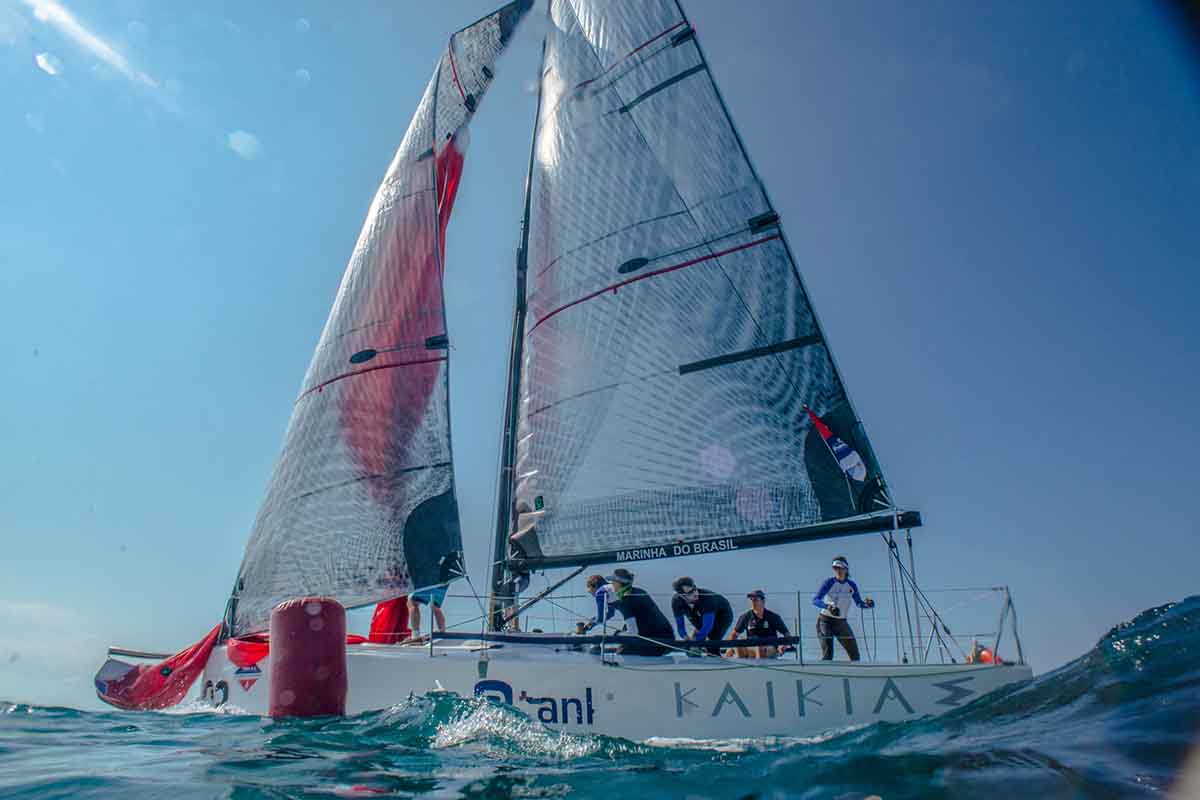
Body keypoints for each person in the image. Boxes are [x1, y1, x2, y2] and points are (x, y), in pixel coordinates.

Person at [582, 569, 674, 656]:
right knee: (620, 635)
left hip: (652, 642)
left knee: (616, 643)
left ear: (617, 584)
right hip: (667, 638)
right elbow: (610, 614)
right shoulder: (638, 591)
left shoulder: (606, 594)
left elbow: (602, 617)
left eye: (613, 582)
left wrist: (588, 626)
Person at [812, 556, 874, 661]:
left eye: (840, 568)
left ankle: (856, 674)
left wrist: (867, 605)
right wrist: (828, 607)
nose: (838, 570)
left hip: (841, 622)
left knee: (854, 654)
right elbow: (815, 600)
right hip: (825, 621)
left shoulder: (851, 585)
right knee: (828, 653)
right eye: (835, 568)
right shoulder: (829, 582)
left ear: (846, 569)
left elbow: (859, 603)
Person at [670, 577, 733, 655]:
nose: (695, 593)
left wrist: (696, 640)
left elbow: (707, 626)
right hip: (698, 612)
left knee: (712, 640)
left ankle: (715, 658)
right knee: (690, 647)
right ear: (681, 595)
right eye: (690, 592)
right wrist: (685, 637)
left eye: (695, 589)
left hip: (722, 615)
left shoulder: (707, 598)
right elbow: (680, 625)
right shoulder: (676, 601)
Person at [728, 589, 790, 658]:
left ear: (763, 601)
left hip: (770, 647)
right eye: (751, 600)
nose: (753, 602)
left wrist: (783, 646)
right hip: (751, 647)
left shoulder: (773, 617)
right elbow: (734, 634)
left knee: (759, 646)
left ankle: (761, 667)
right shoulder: (746, 617)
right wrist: (729, 648)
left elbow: (787, 634)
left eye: (756, 600)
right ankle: (742, 667)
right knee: (738, 644)